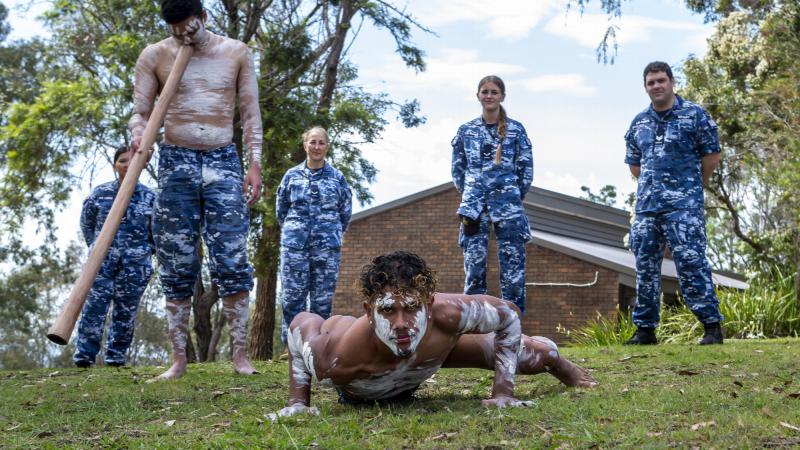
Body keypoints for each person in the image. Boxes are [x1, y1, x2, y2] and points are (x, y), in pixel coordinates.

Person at [270, 251, 597, 418]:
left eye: (411, 308)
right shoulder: (336, 357)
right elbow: (301, 322)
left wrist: (503, 392)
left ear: (428, 303)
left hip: (433, 353)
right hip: (366, 387)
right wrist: (299, 401)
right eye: (387, 310)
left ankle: (561, 364)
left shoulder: (448, 314)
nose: (401, 323)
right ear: (369, 311)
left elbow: (508, 315)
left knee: (540, 356)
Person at [129, 0, 263, 379]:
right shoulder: (154, 55)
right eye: (176, 31)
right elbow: (140, 111)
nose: (183, 36)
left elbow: (251, 113)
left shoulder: (236, 52)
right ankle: (178, 359)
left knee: (232, 257)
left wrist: (253, 164)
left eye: (190, 28)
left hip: (223, 158)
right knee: (176, 259)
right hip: (176, 161)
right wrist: (141, 136)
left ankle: (240, 355)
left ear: (204, 18)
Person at [623, 61, 724, 346]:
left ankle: (711, 326)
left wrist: (688, 187)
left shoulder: (694, 115)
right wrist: (656, 187)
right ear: (646, 87)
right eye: (651, 82)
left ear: (671, 82)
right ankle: (645, 330)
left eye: (660, 80)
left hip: (684, 207)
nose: (656, 86)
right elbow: (634, 164)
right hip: (647, 209)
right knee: (645, 268)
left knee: (692, 263)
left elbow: (711, 157)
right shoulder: (639, 122)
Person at [451, 75, 534, 314]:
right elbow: (458, 170)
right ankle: (476, 326)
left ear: (502, 96)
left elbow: (525, 170)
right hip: (474, 208)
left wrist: (511, 195)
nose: (489, 96)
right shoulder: (466, 131)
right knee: (474, 269)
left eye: (494, 92)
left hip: (508, 207)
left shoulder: (516, 130)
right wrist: (473, 192)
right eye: (485, 91)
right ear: (478, 95)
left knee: (513, 271)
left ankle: (513, 325)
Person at [73, 146, 156, 368]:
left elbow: (157, 233)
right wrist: (97, 249)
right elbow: (87, 224)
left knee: (125, 311)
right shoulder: (100, 194)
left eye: (132, 161)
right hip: (101, 264)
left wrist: (145, 252)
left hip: (135, 266)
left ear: (142, 165)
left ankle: (116, 357)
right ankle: (84, 356)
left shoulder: (150, 197)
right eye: (122, 161)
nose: (127, 165)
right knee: (94, 308)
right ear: (114, 166)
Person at [275, 126, 352, 344]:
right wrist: (296, 232)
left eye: (321, 143)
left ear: (327, 146)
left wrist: (329, 234)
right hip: (294, 248)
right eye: (313, 142)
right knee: (292, 300)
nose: (316, 147)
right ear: (305, 145)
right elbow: (281, 211)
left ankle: (316, 347)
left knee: (322, 301)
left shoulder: (337, 178)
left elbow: (345, 213)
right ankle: (290, 348)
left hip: (326, 250)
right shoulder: (291, 176)